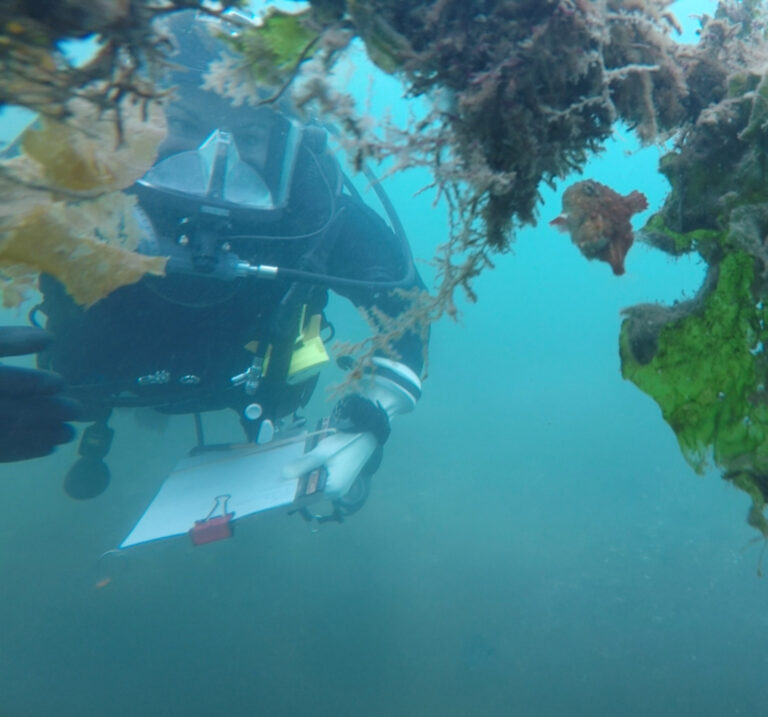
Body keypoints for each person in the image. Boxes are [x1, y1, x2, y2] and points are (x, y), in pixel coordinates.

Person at [32, 10, 427, 517]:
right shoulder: (82, 185)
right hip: (100, 380)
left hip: (251, 385)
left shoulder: (309, 208)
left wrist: (372, 417)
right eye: (183, 123)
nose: (215, 160)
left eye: (249, 137)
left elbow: (407, 305)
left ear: (283, 145)